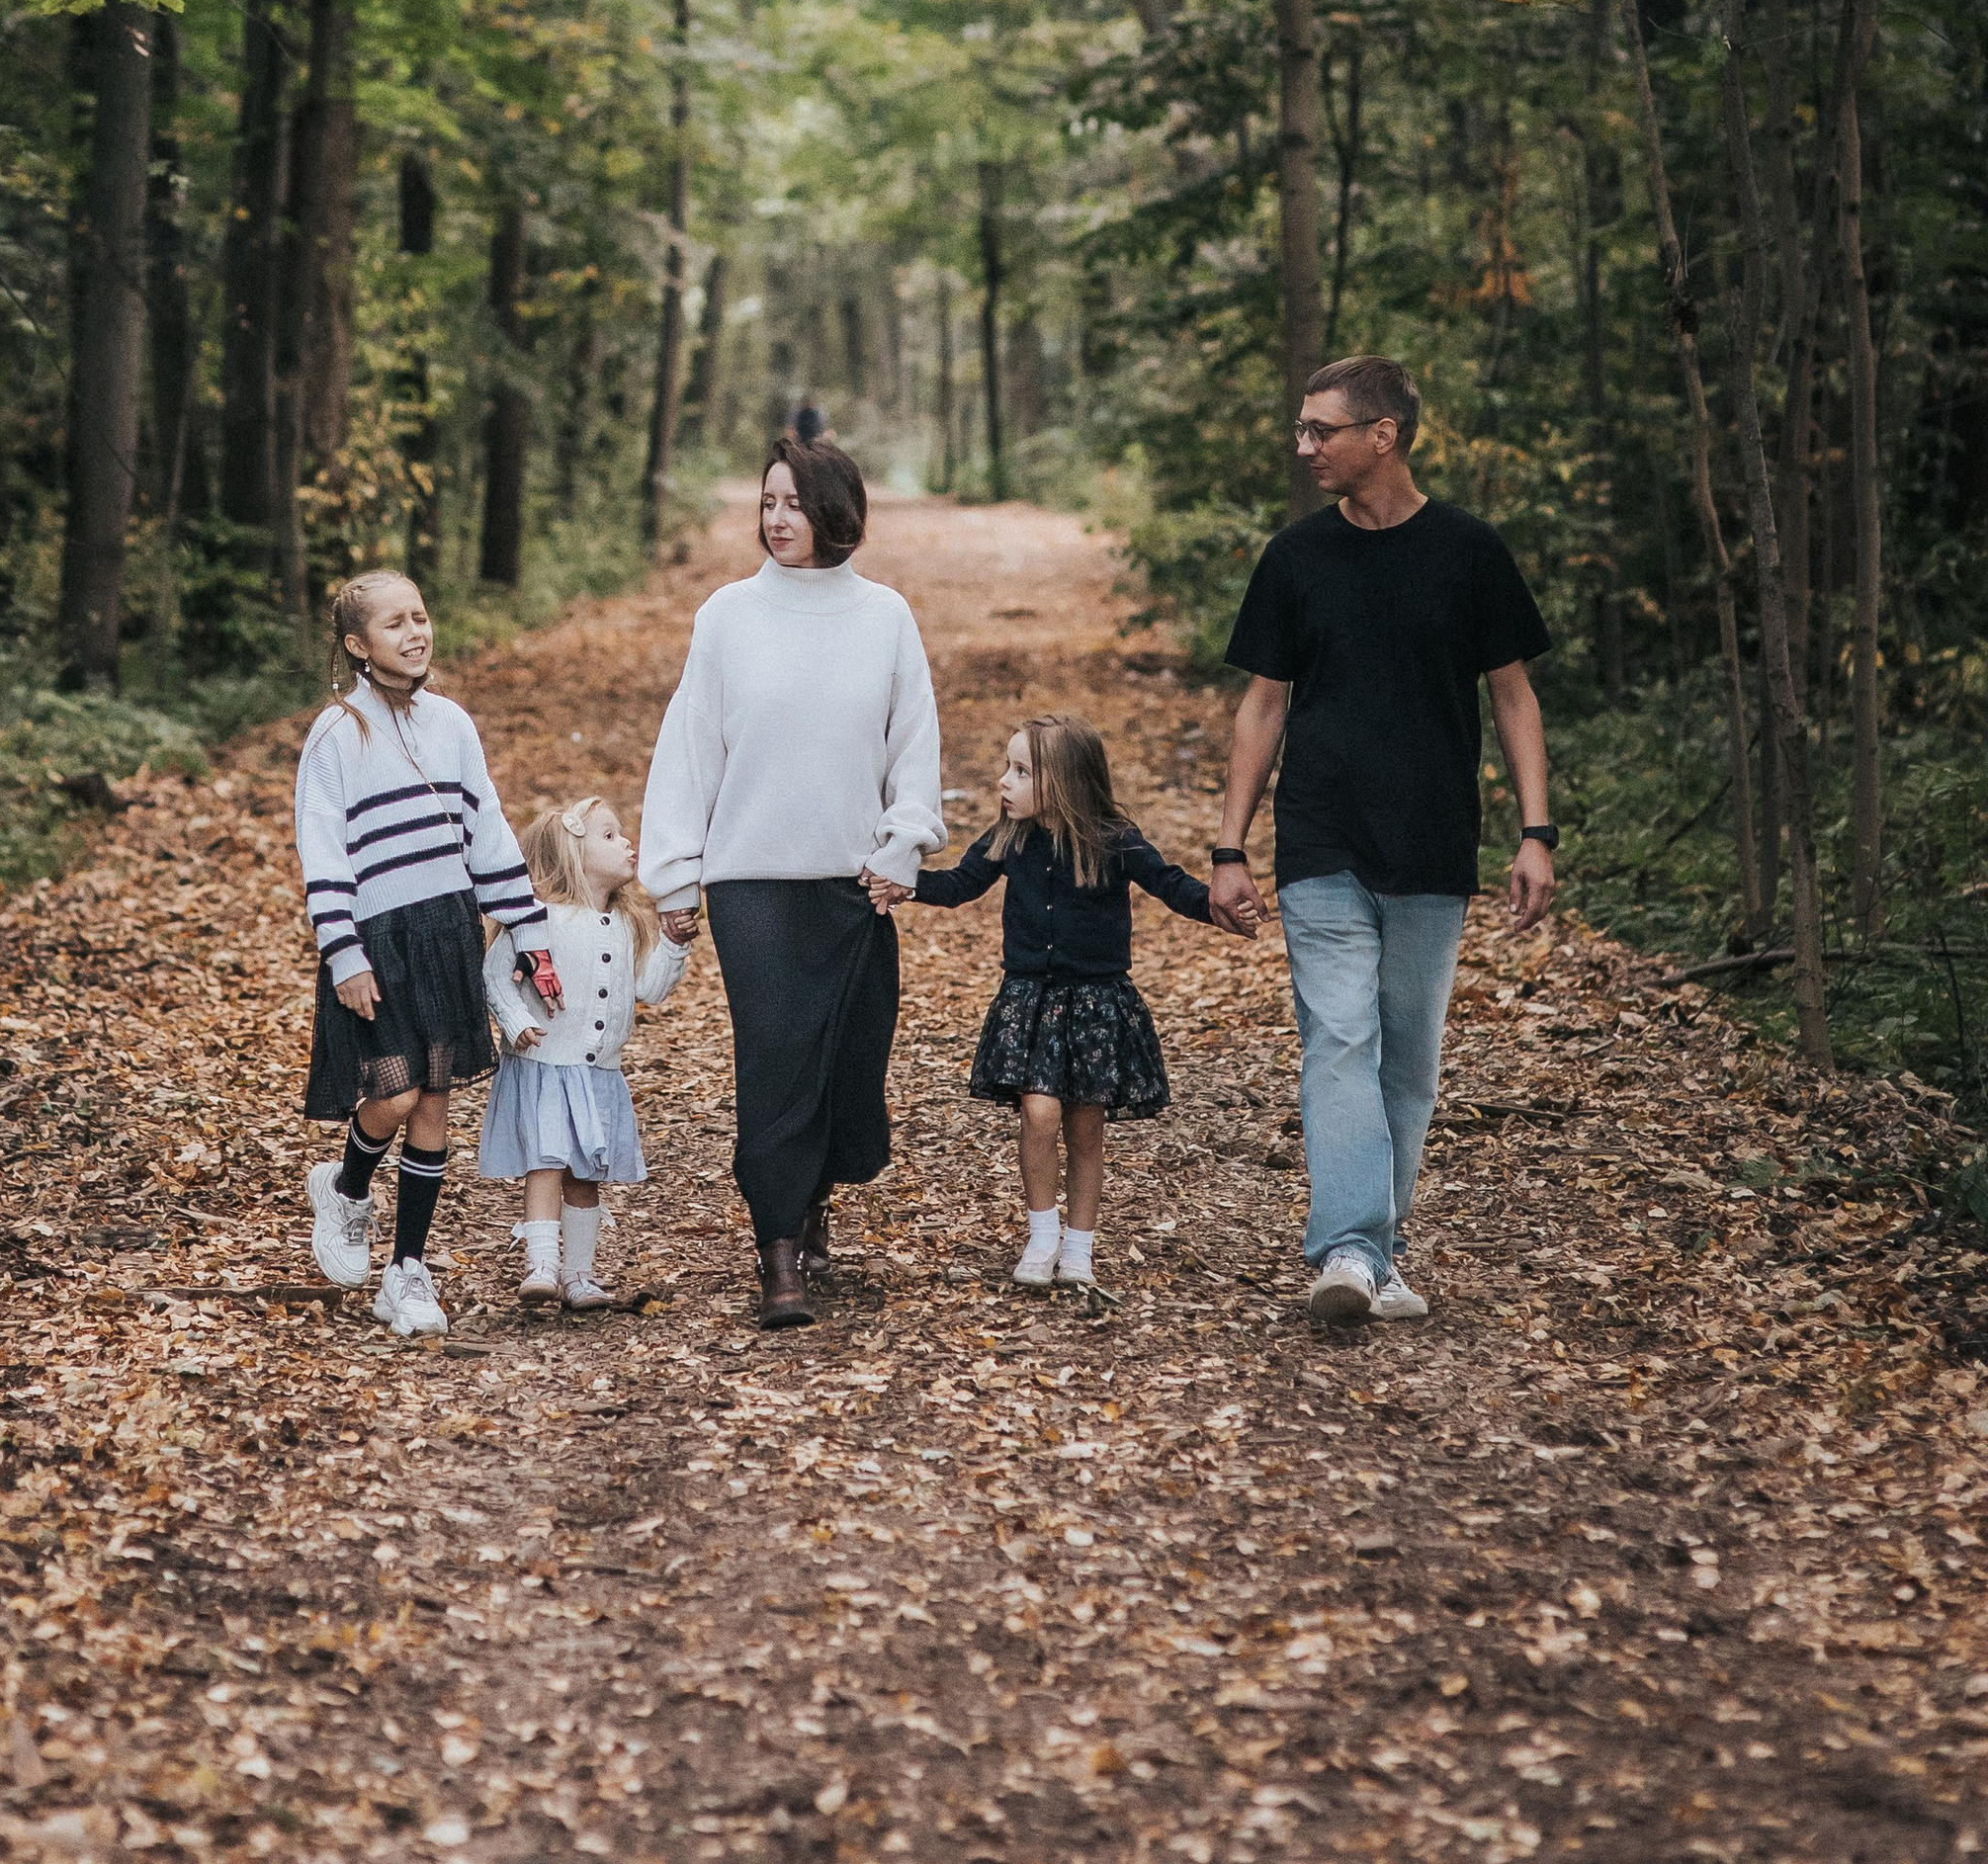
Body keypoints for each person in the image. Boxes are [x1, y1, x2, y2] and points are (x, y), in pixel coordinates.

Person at [1217, 355, 1555, 1332]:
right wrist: (1229, 847)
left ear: (1384, 436)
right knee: (1339, 1037)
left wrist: (1535, 834)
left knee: (1405, 1058)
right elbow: (1262, 706)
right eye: (1301, 429)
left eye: (1321, 430)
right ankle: (1352, 1249)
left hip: (1432, 842)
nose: (1305, 447)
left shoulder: (1467, 552)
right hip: (1320, 837)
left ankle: (1375, 1251)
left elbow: (1513, 697)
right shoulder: (1294, 558)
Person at [640, 434, 943, 1329]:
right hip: (753, 885)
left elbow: (913, 744)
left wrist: (904, 844)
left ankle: (815, 1200)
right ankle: (778, 1250)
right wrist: (674, 874)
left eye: (795, 504)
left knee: (850, 1060)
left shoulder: (885, 616)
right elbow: (689, 747)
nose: (778, 519)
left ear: (834, 512)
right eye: (768, 503)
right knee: (774, 1061)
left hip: (852, 884)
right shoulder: (727, 616)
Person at [298, 570, 558, 1342]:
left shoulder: (452, 724)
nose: (416, 632)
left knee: (436, 1101)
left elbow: (490, 833)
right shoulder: (337, 732)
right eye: (394, 624)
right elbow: (322, 851)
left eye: (421, 617)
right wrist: (343, 952)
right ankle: (346, 1189)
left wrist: (530, 930)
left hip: (448, 933)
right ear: (357, 644)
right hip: (378, 942)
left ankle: (407, 1270)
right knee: (396, 1095)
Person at [915, 714, 1257, 1287]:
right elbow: (956, 887)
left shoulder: (1113, 840)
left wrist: (1218, 907)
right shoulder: (1008, 838)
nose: (1003, 781)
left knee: (1086, 1130)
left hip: (1096, 1004)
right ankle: (1042, 1232)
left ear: (1066, 781)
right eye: (1008, 767)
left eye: (1020, 771)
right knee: (1039, 1112)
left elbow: (1170, 884)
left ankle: (1079, 1247)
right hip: (1031, 1000)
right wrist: (902, 883)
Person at [477, 796, 695, 1313]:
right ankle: (541, 1267)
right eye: (609, 835)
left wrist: (673, 945)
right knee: (547, 1162)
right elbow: (494, 974)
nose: (626, 843)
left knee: (585, 1175)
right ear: (574, 855)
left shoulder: (625, 925)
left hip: (598, 1071)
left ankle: (579, 1275)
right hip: (547, 1064)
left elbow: (650, 988)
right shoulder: (538, 919)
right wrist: (518, 1021)